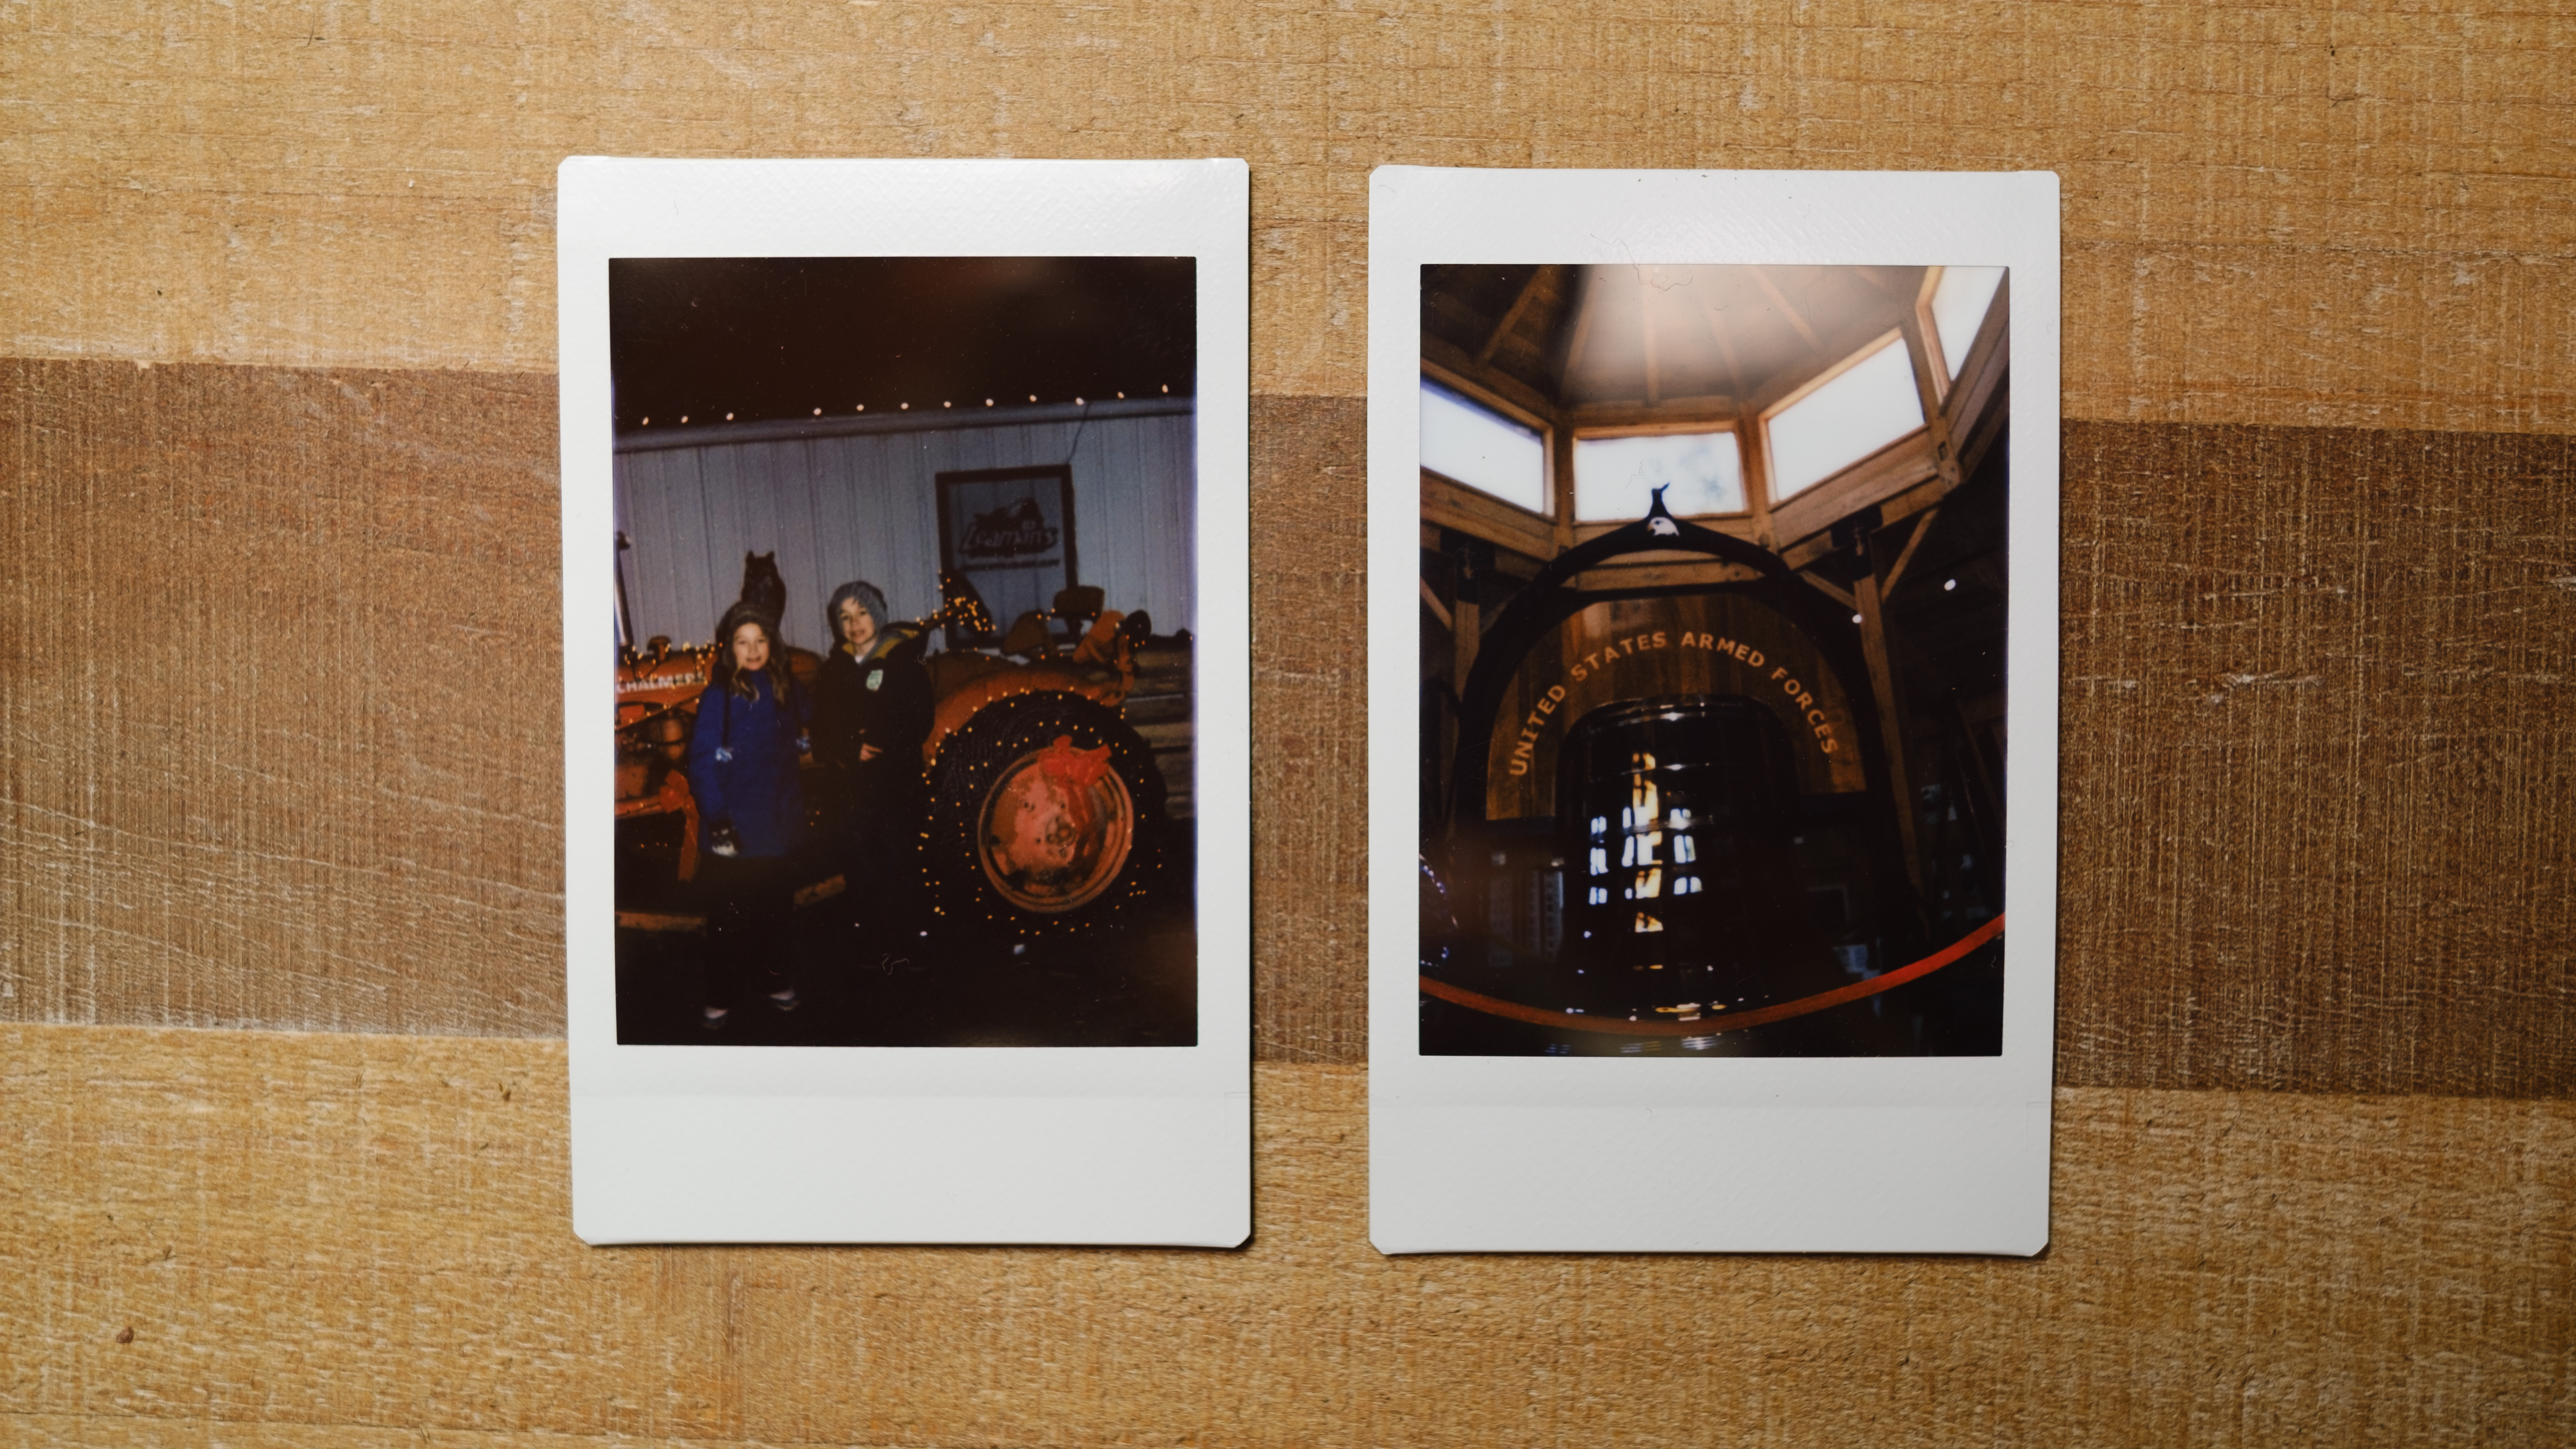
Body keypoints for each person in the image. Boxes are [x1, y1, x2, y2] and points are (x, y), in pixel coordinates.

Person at [685, 602, 811, 1028]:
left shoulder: (788, 690)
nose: (753, 649)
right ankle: (722, 991)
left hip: (777, 827)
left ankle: (773, 981)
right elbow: (702, 760)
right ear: (730, 648)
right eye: (743, 641)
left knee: (775, 911)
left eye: (761, 640)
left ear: (772, 646)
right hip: (733, 829)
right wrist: (717, 815)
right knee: (728, 918)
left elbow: (823, 722)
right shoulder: (718, 697)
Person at [811, 581, 934, 951]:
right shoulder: (834, 669)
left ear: (877, 615)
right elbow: (821, 729)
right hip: (851, 795)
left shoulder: (904, 659)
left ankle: (911, 946)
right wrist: (850, 747)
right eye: (845, 617)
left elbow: (919, 718)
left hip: (896, 789)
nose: (855, 624)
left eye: (862, 613)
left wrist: (877, 740)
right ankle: (872, 946)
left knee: (902, 868)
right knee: (861, 872)